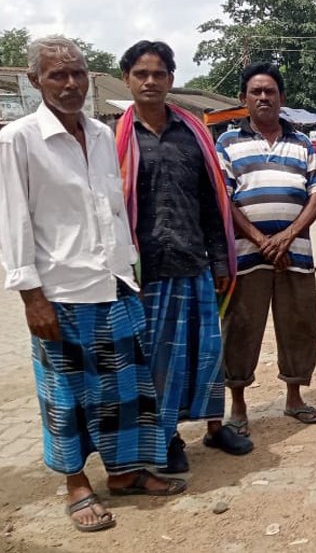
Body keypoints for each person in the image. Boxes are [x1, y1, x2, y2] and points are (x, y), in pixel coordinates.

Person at [1, 37, 185, 532]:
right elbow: (14, 221)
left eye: (78, 73)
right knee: (66, 396)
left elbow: (112, 209)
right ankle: (77, 484)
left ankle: (124, 474)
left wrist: (130, 270)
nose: (70, 84)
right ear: (36, 81)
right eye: (57, 75)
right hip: (60, 291)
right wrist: (31, 297)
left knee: (124, 388)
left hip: (113, 283)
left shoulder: (102, 134)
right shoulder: (18, 139)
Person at [116, 40, 252, 472]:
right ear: (126, 79)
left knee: (206, 353)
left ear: (171, 79)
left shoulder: (193, 133)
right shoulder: (114, 139)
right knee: (158, 361)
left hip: (194, 262)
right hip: (147, 270)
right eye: (141, 74)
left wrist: (220, 261)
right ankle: (168, 437)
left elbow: (213, 202)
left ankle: (214, 427)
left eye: (159, 74)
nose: (150, 81)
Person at [216, 63, 316, 435]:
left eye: (270, 92)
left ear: (282, 98)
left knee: (298, 325)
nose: (263, 97)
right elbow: (224, 199)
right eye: (256, 92)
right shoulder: (228, 142)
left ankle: (294, 398)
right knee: (240, 327)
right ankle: (238, 406)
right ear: (243, 98)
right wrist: (262, 241)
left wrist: (288, 235)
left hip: (296, 253)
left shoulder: (302, 143)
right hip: (247, 255)